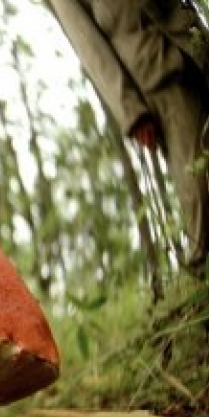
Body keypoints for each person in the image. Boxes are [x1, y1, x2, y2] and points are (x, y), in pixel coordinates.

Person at [50, 0, 209, 274]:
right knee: (197, 181)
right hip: (156, 75)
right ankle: (201, 266)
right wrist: (132, 112)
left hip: (193, 42)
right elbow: (91, 49)